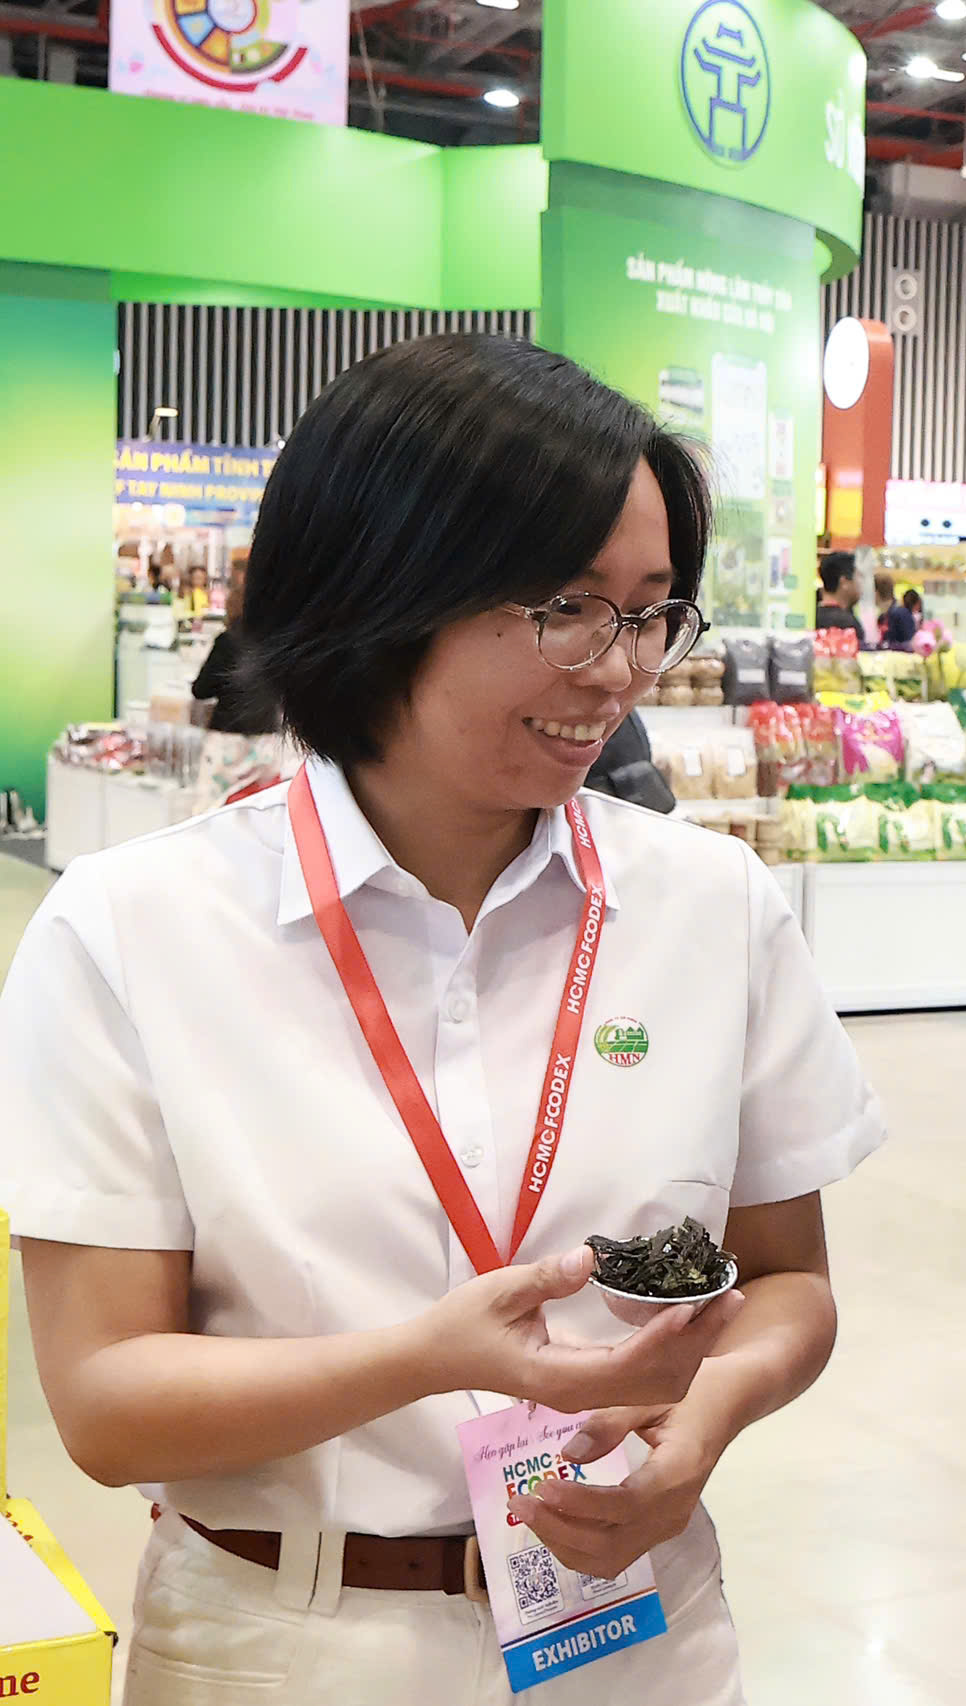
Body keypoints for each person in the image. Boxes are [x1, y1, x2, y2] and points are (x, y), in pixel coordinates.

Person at [0, 333, 886, 1706]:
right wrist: (423, 1360)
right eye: (567, 608)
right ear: (380, 589)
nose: (620, 670)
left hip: (634, 1628)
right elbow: (107, 1402)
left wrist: (704, 1417)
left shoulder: (710, 906)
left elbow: (790, 1284)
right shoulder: (134, 929)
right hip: (281, 1641)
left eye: (651, 611)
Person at [190, 564, 278, 737]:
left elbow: (201, 690)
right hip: (266, 732)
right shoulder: (274, 640)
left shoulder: (227, 641)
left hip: (229, 733)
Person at [814, 551, 862, 629]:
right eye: (859, 577)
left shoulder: (811, 616)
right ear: (844, 582)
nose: (861, 584)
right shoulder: (847, 624)